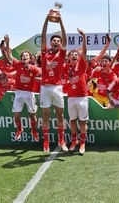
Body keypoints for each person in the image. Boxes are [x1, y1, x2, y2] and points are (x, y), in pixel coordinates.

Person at [2, 35, 42, 142]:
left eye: (26, 56)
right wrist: (7, 43)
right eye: (23, 55)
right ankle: (19, 129)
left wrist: (36, 79)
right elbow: (9, 57)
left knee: (32, 115)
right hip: (19, 93)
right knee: (16, 115)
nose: (24, 57)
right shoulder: (18, 64)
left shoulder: (34, 68)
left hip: (29, 93)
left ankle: (34, 131)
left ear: (30, 59)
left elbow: (42, 77)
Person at [40, 12, 68, 152]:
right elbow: (43, 36)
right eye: (54, 40)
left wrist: (61, 22)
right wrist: (46, 20)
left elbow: (65, 41)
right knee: (46, 115)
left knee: (60, 115)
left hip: (57, 87)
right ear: (51, 43)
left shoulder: (61, 54)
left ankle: (61, 140)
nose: (56, 42)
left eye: (58, 41)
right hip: (45, 87)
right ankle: (45, 142)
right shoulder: (45, 53)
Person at [65, 28, 89, 154]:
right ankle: (74, 140)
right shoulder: (66, 69)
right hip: (71, 98)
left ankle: (83, 143)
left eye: (76, 54)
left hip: (82, 97)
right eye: (71, 54)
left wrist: (84, 36)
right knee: (72, 120)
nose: (74, 55)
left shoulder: (82, 65)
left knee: (82, 121)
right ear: (68, 58)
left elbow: (84, 51)